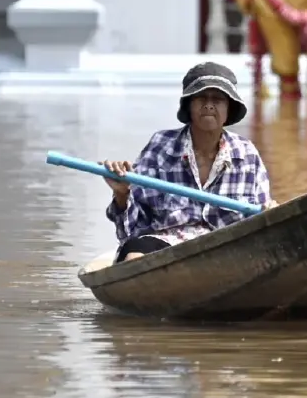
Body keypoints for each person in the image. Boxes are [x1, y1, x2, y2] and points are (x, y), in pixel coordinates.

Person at [101, 62, 277, 262]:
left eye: (218, 99)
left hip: (226, 248)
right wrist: (122, 194)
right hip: (168, 244)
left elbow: (260, 223)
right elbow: (132, 230)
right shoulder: (161, 146)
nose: (209, 105)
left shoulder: (246, 153)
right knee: (133, 254)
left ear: (229, 109)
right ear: (189, 106)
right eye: (201, 98)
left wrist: (269, 213)